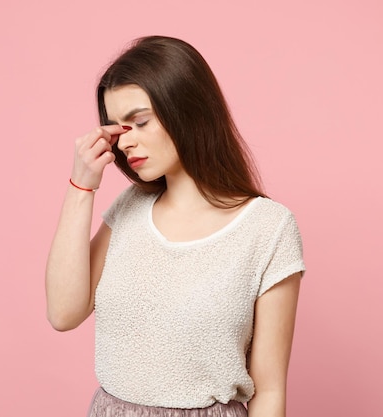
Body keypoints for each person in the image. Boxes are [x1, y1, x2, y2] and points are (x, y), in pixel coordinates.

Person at [45, 36, 305, 417]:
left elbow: (269, 392)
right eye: (117, 129)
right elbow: (63, 314)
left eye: (140, 121)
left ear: (188, 109)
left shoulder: (269, 228)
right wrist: (81, 186)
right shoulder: (130, 209)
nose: (125, 142)